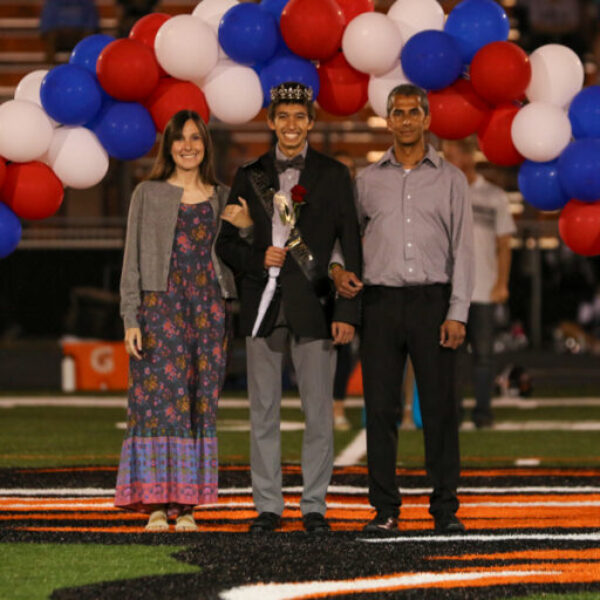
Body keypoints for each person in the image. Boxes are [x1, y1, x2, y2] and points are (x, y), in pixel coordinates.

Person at [216, 82, 362, 534]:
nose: (292, 125)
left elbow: (351, 245)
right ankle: (268, 507)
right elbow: (225, 244)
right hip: (263, 305)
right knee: (263, 411)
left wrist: (347, 313)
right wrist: (256, 256)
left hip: (316, 308)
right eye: (283, 117)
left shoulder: (335, 174)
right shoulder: (249, 173)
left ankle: (314, 506)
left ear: (311, 123)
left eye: (300, 117)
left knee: (318, 412)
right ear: (270, 121)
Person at [114, 109, 250, 532]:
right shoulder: (147, 194)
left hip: (209, 310)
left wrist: (246, 229)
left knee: (199, 404)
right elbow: (131, 261)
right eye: (180, 138)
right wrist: (130, 316)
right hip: (159, 311)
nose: (188, 145)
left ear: (206, 144)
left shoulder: (223, 197)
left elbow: (245, 258)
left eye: (196, 137)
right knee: (157, 405)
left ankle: (187, 506)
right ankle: (156, 505)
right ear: (168, 145)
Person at [349, 84, 474, 534]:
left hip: (433, 303)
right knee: (380, 410)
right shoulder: (367, 180)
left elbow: (464, 249)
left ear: (427, 119)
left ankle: (445, 509)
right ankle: (384, 509)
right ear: (388, 120)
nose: (404, 120)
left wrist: (458, 311)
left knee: (440, 410)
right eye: (396, 112)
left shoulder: (451, 179)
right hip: (379, 303)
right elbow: (347, 240)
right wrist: (341, 272)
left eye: (412, 112)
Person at [443, 137, 516, 429]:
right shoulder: (442, 194)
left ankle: (484, 413)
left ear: (467, 156)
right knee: (452, 355)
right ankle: (454, 413)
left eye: (451, 155)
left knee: (484, 355)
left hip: (484, 288)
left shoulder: (494, 195)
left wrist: (502, 282)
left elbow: (505, 244)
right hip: (450, 289)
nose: (447, 161)